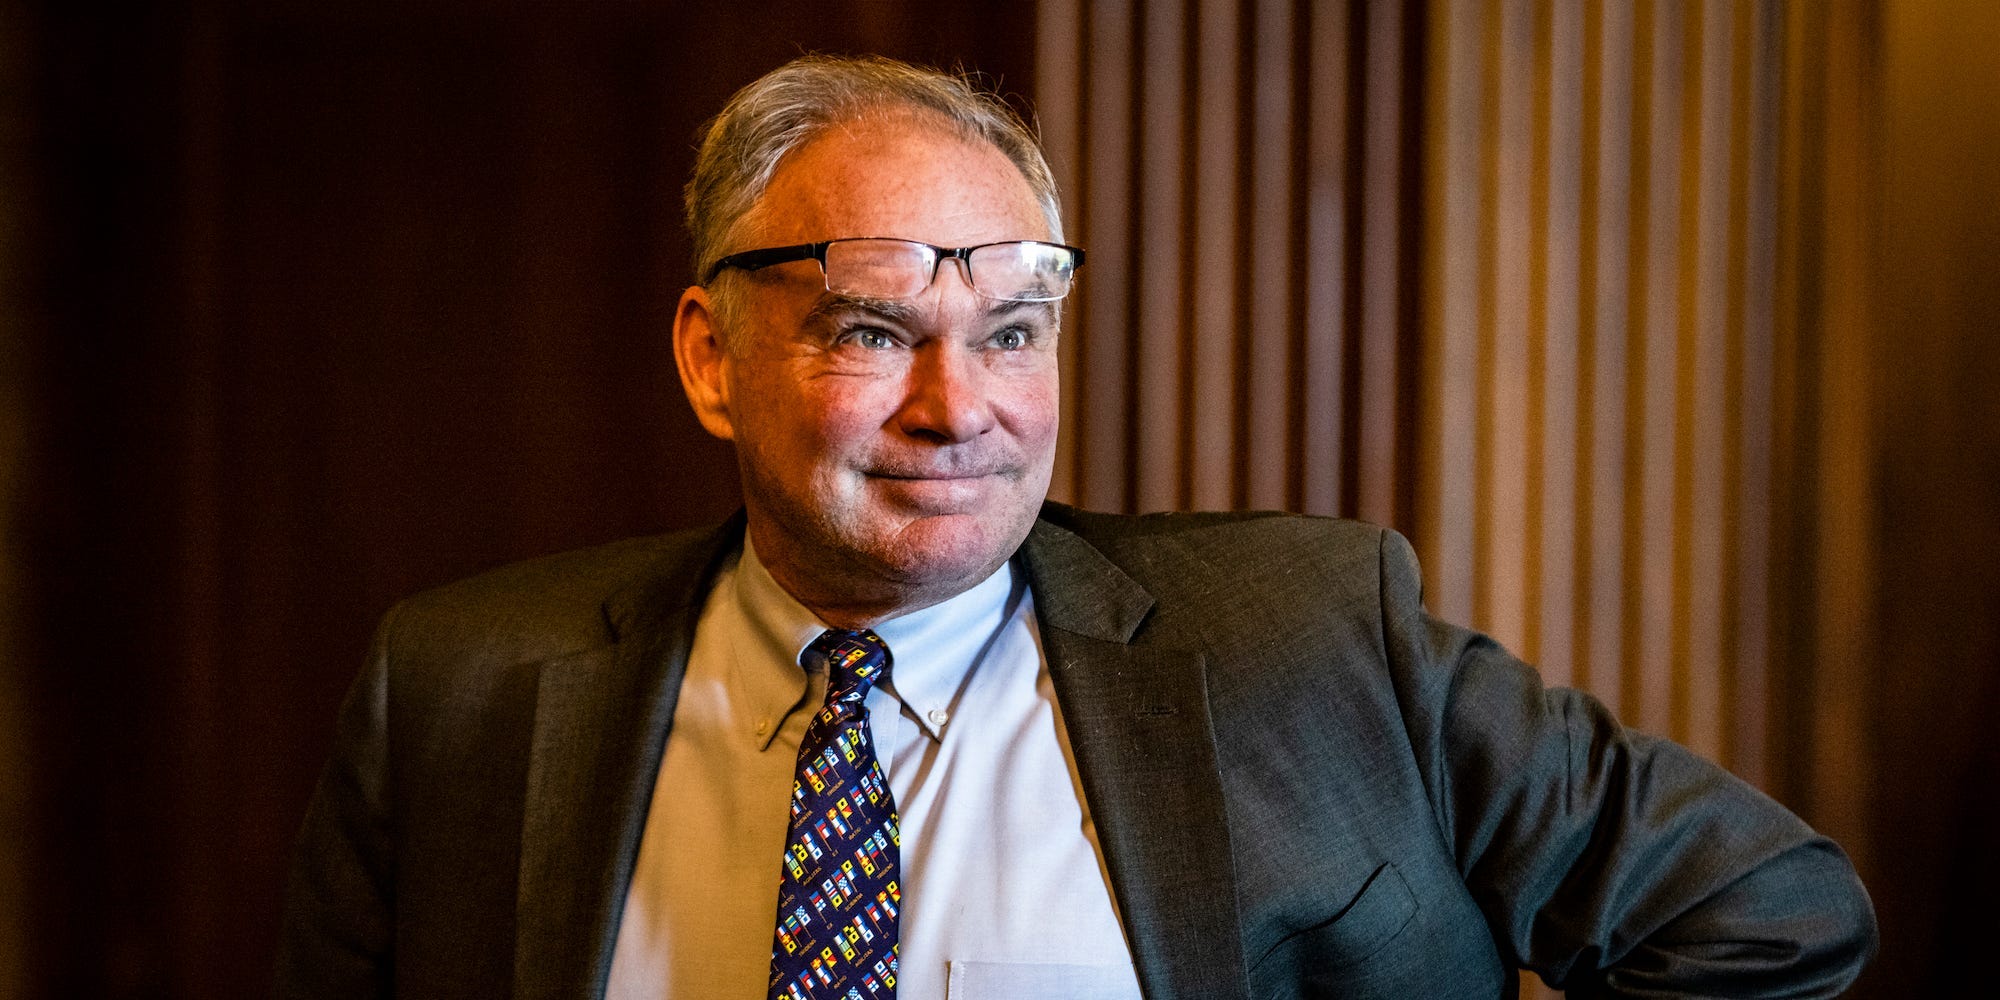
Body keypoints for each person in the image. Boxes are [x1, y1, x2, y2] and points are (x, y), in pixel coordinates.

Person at [275, 54, 1875, 1000]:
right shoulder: (462, 689)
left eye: (1015, 335)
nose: (959, 409)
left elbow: (1773, 917)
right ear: (711, 355)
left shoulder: (1315, 637)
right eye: (873, 333)